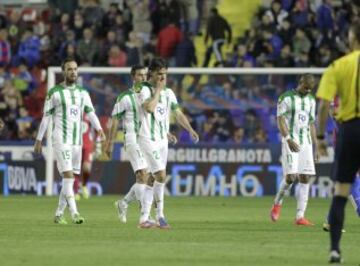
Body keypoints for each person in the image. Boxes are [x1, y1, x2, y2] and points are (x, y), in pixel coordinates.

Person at [34, 58, 105, 225]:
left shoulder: (82, 93)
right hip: (60, 139)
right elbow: (46, 117)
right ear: (63, 71)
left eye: (75, 69)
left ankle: (59, 213)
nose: (73, 72)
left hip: (76, 142)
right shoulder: (55, 92)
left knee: (69, 179)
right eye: (69, 69)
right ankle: (75, 213)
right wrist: (39, 139)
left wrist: (99, 129)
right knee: (68, 175)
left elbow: (91, 113)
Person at [316, 20, 360, 264]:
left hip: (350, 129)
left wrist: (320, 137)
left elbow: (323, 104)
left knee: (341, 191)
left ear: (352, 38)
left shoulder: (339, 66)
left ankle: (335, 250)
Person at [137, 57, 199, 229]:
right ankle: (160, 216)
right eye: (159, 74)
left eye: (165, 74)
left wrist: (190, 129)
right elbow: (149, 108)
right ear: (151, 73)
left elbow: (177, 113)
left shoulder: (169, 93)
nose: (163, 78)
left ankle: (143, 219)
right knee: (161, 175)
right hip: (147, 138)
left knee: (153, 179)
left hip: (162, 140)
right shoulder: (142, 89)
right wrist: (157, 90)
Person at [270, 74, 318, 226]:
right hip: (290, 140)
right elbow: (280, 119)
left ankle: (300, 216)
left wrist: (316, 146)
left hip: (306, 143)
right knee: (291, 177)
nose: (307, 91)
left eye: (310, 89)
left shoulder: (311, 100)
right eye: (305, 88)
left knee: (305, 177)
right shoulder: (285, 98)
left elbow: (311, 124)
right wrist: (288, 138)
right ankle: (277, 203)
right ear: (300, 83)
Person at [105, 65, 149, 224]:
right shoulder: (124, 97)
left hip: (148, 140)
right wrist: (110, 142)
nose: (143, 78)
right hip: (132, 138)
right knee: (143, 174)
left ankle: (123, 203)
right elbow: (115, 119)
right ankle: (145, 216)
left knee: (144, 179)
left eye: (145, 75)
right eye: (140, 75)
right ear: (133, 77)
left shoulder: (150, 95)